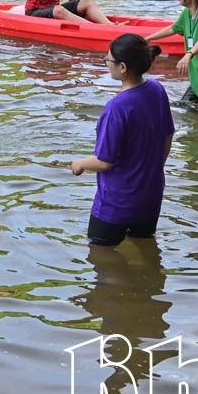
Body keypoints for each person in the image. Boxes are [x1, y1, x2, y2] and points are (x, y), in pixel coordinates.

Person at [67, 34, 173, 246]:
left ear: (122, 67)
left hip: (117, 203)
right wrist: (154, 169)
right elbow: (168, 134)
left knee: (100, 254)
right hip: (151, 194)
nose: (106, 62)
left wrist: (79, 164)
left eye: (108, 59)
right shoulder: (156, 89)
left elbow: (104, 162)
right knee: (144, 246)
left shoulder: (117, 107)